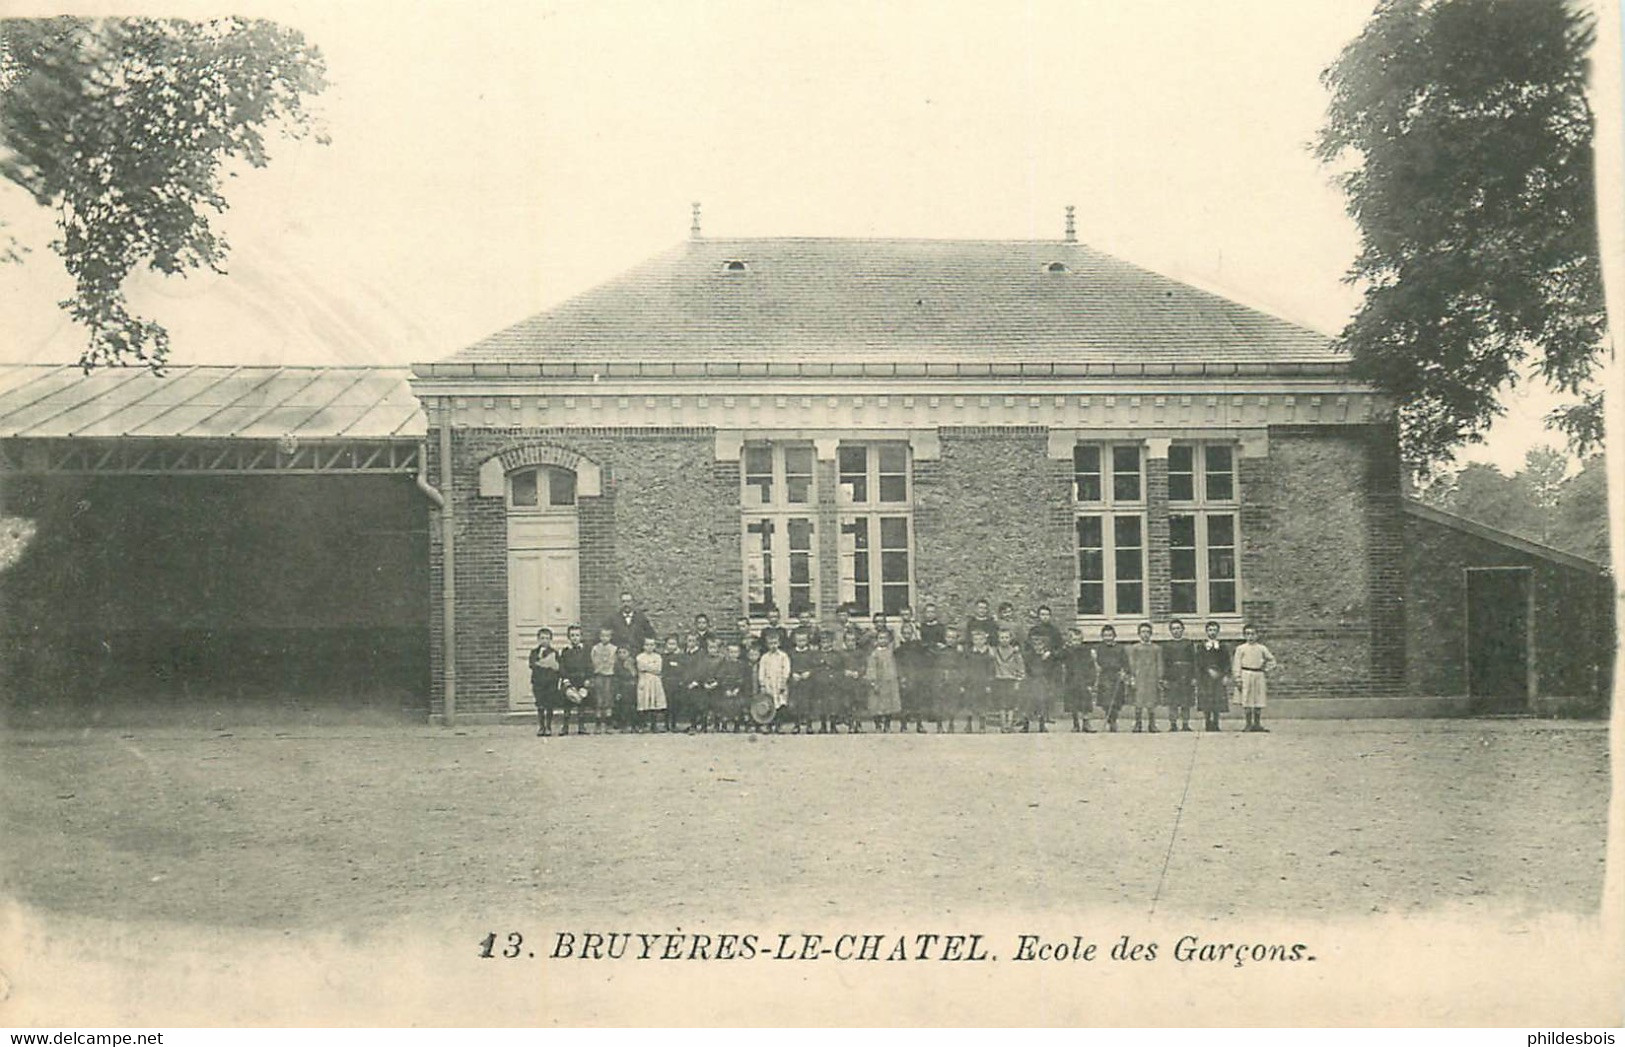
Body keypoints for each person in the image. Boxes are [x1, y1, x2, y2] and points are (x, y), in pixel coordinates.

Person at [1232, 623, 1278, 732]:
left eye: (1253, 634)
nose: (1250, 637)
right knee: (1247, 699)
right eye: (1248, 634)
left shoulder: (1262, 648)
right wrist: (1238, 678)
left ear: (1257, 635)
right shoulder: (1241, 648)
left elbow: (1272, 660)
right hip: (1246, 674)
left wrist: (1265, 668)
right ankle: (1248, 724)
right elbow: (1236, 663)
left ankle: (1257, 724)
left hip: (1258, 675)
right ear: (1244, 635)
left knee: (1258, 698)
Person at [1161, 619, 1198, 733]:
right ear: (1170, 631)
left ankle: (1185, 724)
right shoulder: (1167, 645)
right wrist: (1165, 678)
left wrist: (1194, 677)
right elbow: (1164, 663)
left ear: (1183, 629)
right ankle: (1173, 724)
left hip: (1186, 675)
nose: (1176, 631)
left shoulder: (1188, 643)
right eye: (1174, 629)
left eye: (1178, 628)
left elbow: (1194, 661)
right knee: (1173, 701)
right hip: (1173, 675)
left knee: (1185, 701)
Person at [1127, 621, 1164, 733]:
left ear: (1151, 633)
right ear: (1139, 633)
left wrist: (1159, 677)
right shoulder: (1135, 648)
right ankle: (1138, 724)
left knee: (1151, 701)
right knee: (1138, 701)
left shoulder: (1156, 648)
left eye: (1148, 632)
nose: (1145, 634)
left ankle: (1152, 724)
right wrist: (1132, 676)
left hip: (1151, 677)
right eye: (1143, 632)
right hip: (1139, 677)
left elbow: (1159, 663)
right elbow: (1131, 663)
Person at [1195, 620, 1231, 732]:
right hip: (1205, 677)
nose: (1212, 632)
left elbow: (1226, 662)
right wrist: (1206, 671)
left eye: (1214, 630)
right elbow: (1199, 661)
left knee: (1217, 699)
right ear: (1206, 631)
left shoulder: (1222, 646)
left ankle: (1216, 722)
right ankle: (1207, 722)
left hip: (1218, 677)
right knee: (1207, 699)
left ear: (1218, 631)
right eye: (1210, 630)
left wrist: (1226, 675)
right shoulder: (1202, 646)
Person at [558, 625, 593, 736]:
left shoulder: (585, 651)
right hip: (570, 679)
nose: (575, 638)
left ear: (581, 636)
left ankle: (581, 726)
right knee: (567, 704)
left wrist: (588, 679)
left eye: (577, 635)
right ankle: (565, 726)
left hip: (581, 679)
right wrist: (565, 680)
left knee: (581, 703)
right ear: (568, 637)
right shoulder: (565, 651)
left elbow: (589, 665)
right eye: (572, 635)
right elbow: (562, 666)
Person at [990, 626, 1027, 732]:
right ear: (998, 639)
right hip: (999, 679)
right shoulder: (995, 651)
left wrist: (1019, 680)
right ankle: (1003, 725)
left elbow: (1021, 666)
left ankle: (1009, 724)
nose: (1004, 639)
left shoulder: (1015, 652)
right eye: (1002, 637)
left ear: (1011, 638)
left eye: (1006, 637)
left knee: (1011, 703)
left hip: (1011, 679)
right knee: (1001, 703)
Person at [895, 620, 929, 733]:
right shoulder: (899, 650)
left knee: (918, 701)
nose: (907, 636)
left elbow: (924, 660)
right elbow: (898, 665)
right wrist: (901, 677)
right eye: (905, 633)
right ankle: (903, 724)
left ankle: (919, 724)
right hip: (905, 678)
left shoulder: (918, 648)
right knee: (904, 702)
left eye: (909, 633)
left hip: (916, 677)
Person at [866, 627, 903, 732]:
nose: (883, 640)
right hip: (879, 682)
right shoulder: (874, 654)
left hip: (890, 682)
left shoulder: (891, 652)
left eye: (885, 638)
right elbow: (871, 668)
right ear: (876, 640)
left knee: (889, 705)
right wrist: (873, 682)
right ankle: (877, 725)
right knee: (876, 705)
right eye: (880, 638)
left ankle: (887, 725)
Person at [1093, 625, 1129, 732]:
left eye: (1110, 635)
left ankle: (1113, 719)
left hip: (1116, 675)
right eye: (1105, 636)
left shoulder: (1120, 648)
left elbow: (1125, 662)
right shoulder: (1099, 648)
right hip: (1105, 675)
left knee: (1116, 701)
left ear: (1114, 636)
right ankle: (1110, 718)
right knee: (1106, 700)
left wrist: (1124, 672)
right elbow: (1096, 662)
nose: (1108, 638)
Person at [1061, 627, 1096, 732]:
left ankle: (1086, 723)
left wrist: (1091, 682)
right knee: (1073, 703)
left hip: (1083, 681)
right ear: (1070, 641)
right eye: (1074, 640)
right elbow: (1058, 657)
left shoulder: (1086, 652)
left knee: (1085, 703)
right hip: (1071, 680)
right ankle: (1075, 724)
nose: (1076, 642)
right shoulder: (1067, 651)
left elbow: (1091, 667)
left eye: (1078, 640)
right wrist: (1064, 648)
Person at [756, 630, 792, 731]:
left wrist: (784, 681)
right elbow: (761, 671)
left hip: (780, 682)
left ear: (779, 643)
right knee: (769, 703)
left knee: (780, 704)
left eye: (775, 643)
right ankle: (768, 724)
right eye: (771, 643)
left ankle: (778, 725)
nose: (773, 646)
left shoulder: (783, 656)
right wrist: (762, 684)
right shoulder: (764, 657)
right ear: (767, 645)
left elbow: (786, 669)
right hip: (769, 683)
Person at [529, 627, 562, 737]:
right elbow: (532, 665)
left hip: (550, 683)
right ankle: (541, 726)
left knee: (549, 705)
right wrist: (545, 663)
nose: (544, 640)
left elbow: (557, 667)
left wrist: (545, 664)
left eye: (547, 638)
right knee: (540, 705)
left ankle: (548, 726)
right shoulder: (534, 652)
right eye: (542, 638)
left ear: (551, 640)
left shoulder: (554, 653)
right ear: (538, 639)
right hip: (538, 683)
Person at [962, 628, 996, 733]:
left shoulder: (988, 654)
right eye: (976, 639)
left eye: (981, 639)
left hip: (982, 682)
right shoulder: (969, 653)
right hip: (971, 682)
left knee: (982, 704)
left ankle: (982, 725)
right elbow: (965, 668)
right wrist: (963, 683)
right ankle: (969, 725)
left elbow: (991, 670)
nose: (978, 642)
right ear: (973, 641)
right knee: (969, 703)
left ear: (985, 640)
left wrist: (989, 684)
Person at [1024, 628, 1058, 732]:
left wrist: (1047, 658)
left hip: (1043, 682)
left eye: (1040, 645)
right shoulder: (1029, 656)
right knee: (1028, 704)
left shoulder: (1047, 657)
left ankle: (1042, 725)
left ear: (1044, 645)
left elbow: (1051, 669)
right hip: (1031, 682)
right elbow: (1027, 668)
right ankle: (1026, 725)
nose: (1038, 647)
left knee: (1042, 703)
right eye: (1035, 645)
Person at [588, 626, 619, 734]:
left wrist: (608, 666)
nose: (604, 638)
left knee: (608, 699)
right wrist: (599, 667)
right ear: (599, 636)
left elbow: (614, 662)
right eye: (602, 636)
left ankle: (608, 724)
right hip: (599, 675)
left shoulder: (614, 648)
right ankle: (598, 724)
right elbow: (593, 661)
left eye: (607, 636)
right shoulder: (595, 648)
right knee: (599, 699)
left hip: (609, 676)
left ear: (610, 637)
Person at [787, 628, 818, 734]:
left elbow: (815, 666)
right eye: (799, 640)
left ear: (807, 641)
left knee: (808, 703)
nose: (801, 643)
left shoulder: (811, 653)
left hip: (807, 682)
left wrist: (809, 673)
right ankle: (796, 725)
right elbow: (787, 666)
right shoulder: (791, 653)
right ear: (795, 641)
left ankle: (809, 725)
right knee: (796, 704)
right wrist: (792, 674)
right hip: (795, 682)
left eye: (803, 640)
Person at [634, 635, 667, 732]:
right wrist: (651, 667)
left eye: (652, 645)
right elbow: (641, 667)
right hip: (644, 681)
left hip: (655, 681)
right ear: (643, 646)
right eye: (647, 645)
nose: (649, 647)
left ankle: (654, 725)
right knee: (643, 702)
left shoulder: (658, 656)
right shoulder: (640, 657)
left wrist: (647, 667)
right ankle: (642, 725)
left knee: (654, 702)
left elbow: (658, 669)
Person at [717, 640, 746, 732]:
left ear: (739, 653)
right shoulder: (724, 664)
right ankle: (724, 724)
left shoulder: (741, 665)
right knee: (725, 704)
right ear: (728, 653)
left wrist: (737, 689)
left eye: (736, 652)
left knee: (738, 704)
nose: (733, 654)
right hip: (726, 689)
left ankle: (736, 724)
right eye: (731, 652)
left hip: (738, 690)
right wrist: (726, 689)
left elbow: (742, 678)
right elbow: (721, 677)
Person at [661, 634, 686, 733]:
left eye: (674, 644)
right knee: (667, 703)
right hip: (667, 682)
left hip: (677, 682)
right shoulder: (663, 656)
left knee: (676, 704)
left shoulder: (680, 656)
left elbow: (683, 669)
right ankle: (666, 724)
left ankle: (674, 724)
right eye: (669, 644)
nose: (671, 646)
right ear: (666, 645)